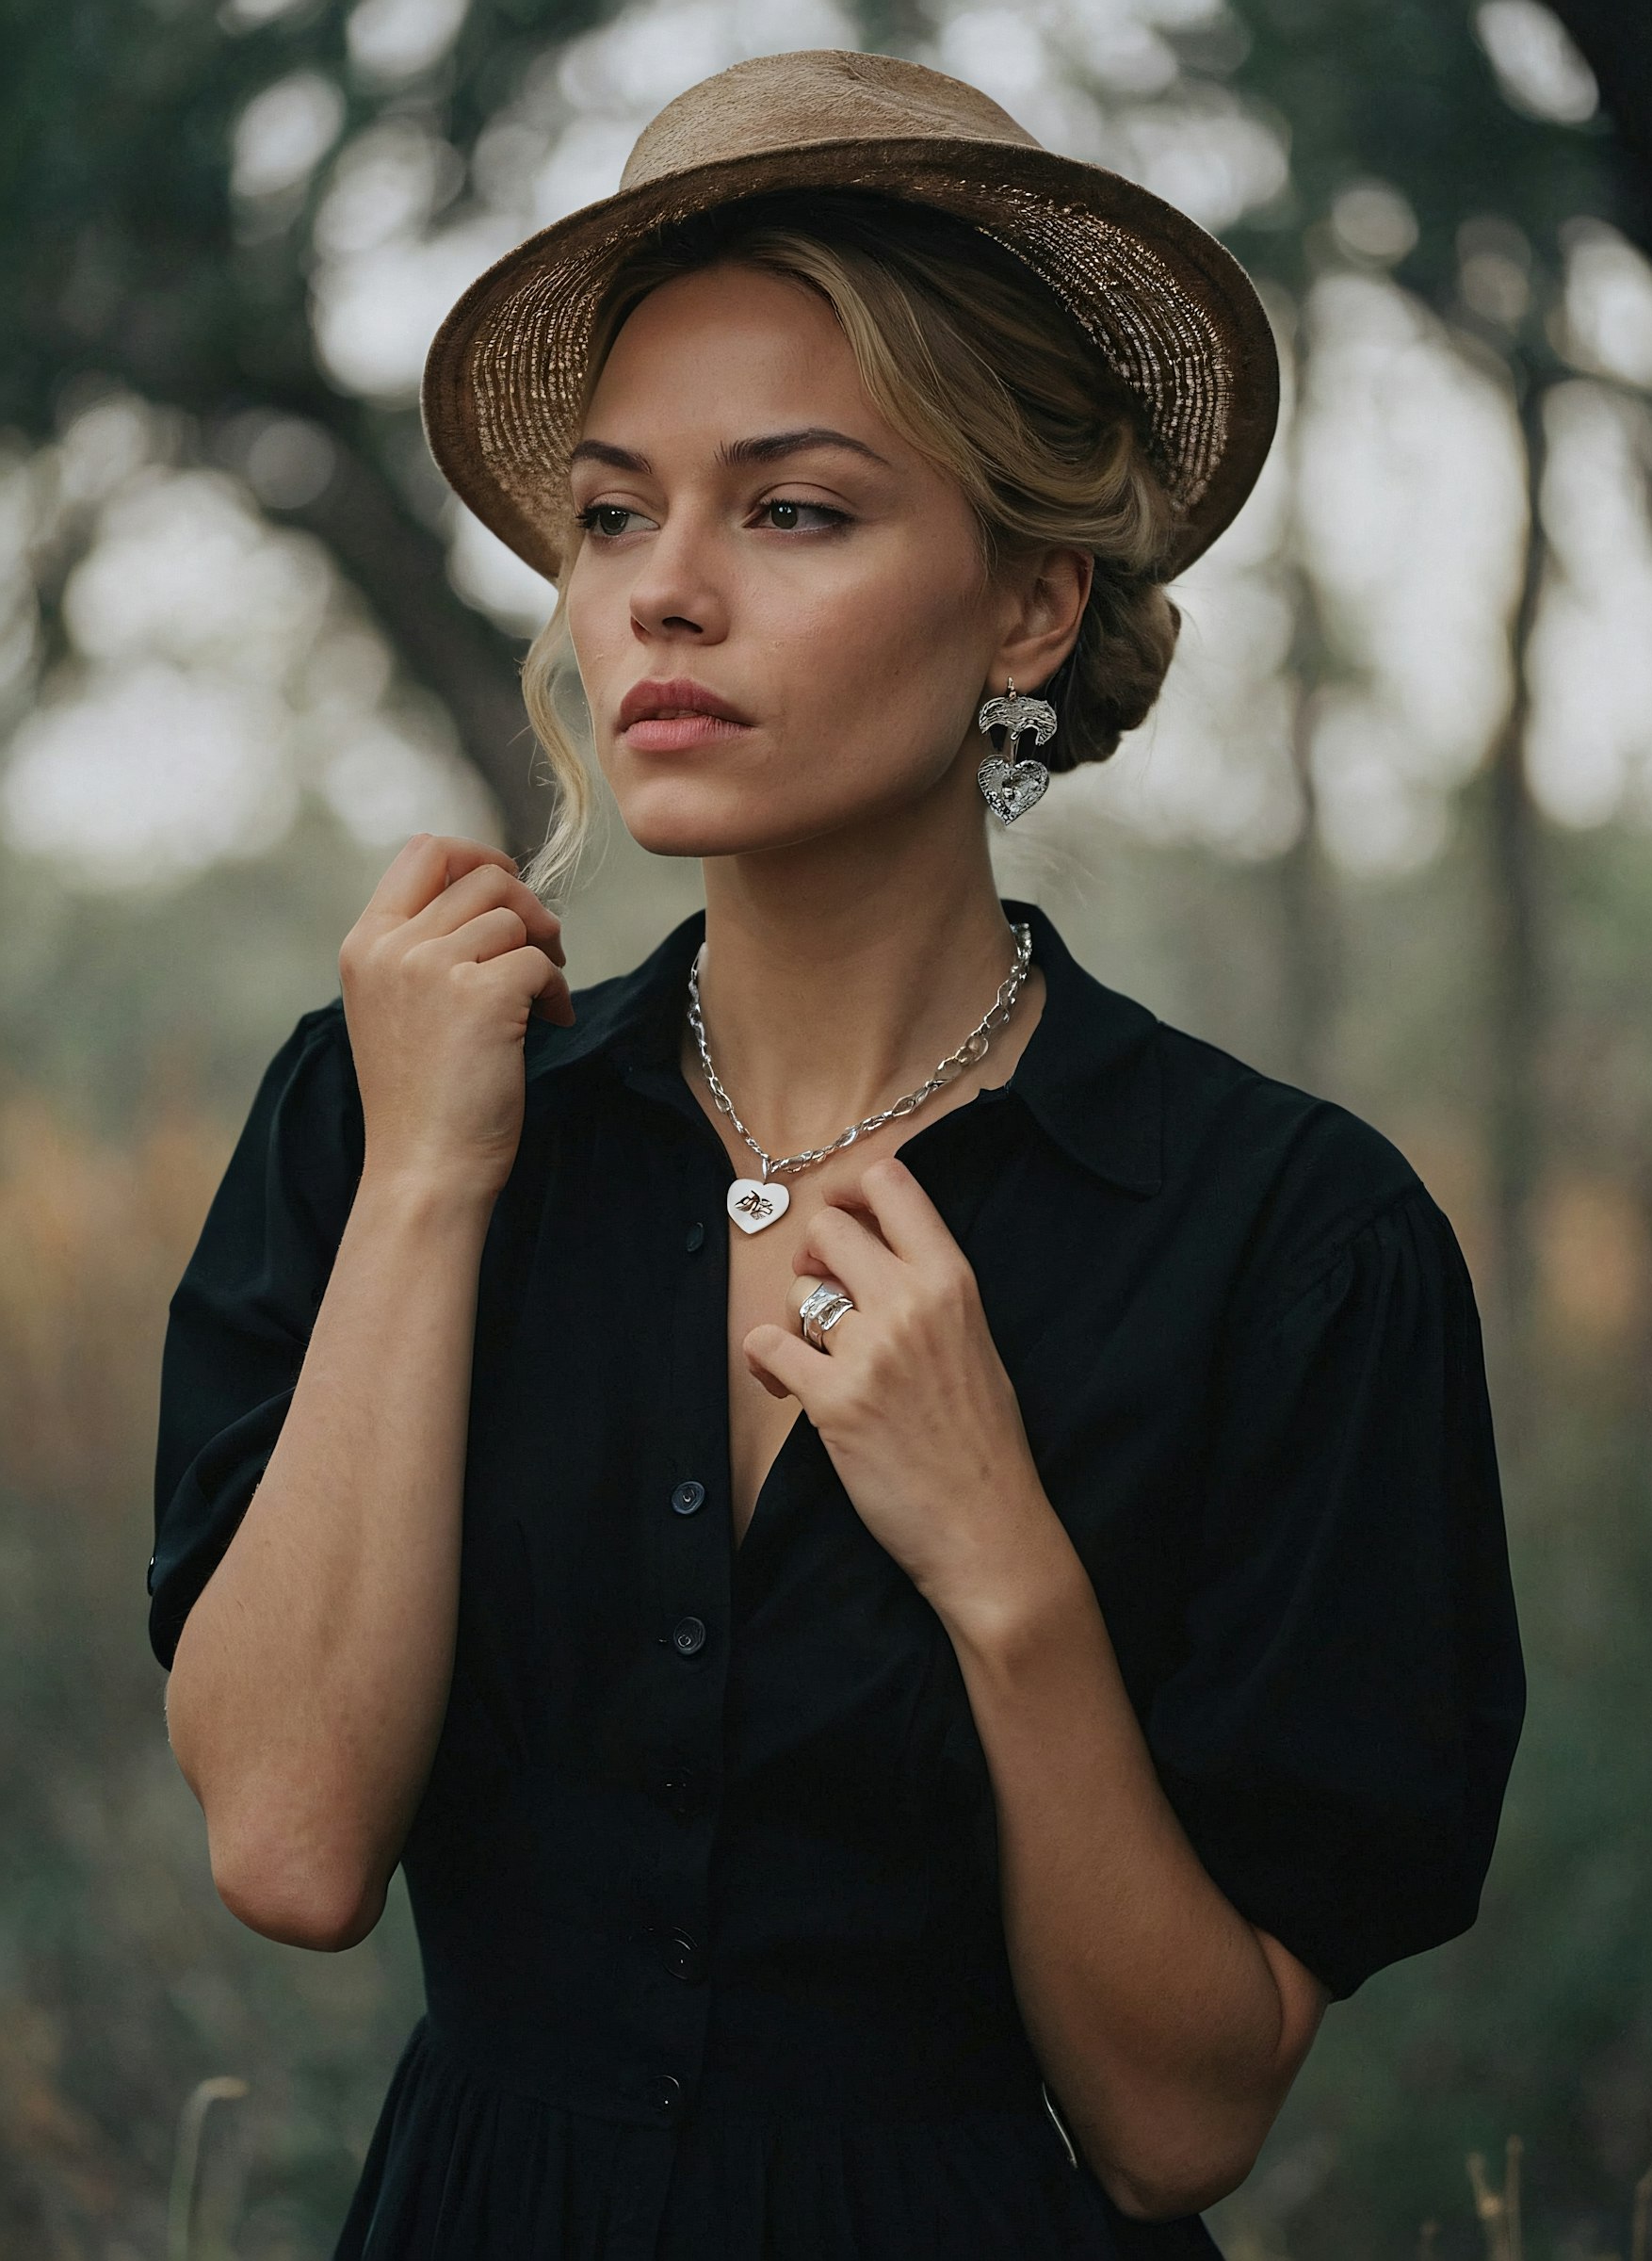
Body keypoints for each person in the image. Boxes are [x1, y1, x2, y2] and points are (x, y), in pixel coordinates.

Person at [149, 49, 1526, 2261]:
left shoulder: (1290, 1246)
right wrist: (425, 1188)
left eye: (791, 508)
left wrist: (1006, 1567)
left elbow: (1181, 2129)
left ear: (1025, 606)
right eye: (614, 514)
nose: (659, 598)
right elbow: (293, 1855)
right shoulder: (382, 1112)